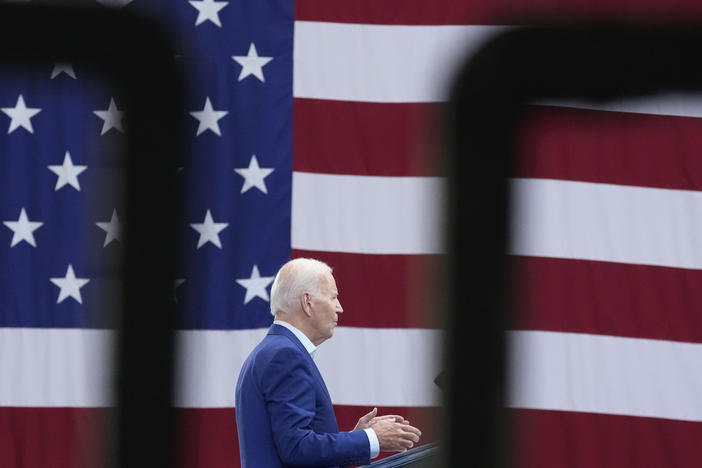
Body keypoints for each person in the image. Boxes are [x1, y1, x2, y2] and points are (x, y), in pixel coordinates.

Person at [235, 258, 422, 467]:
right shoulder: (285, 355)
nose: (339, 308)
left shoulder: (272, 351)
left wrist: (355, 437)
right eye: (333, 297)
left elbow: (292, 445)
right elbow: (297, 448)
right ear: (307, 302)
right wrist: (370, 438)